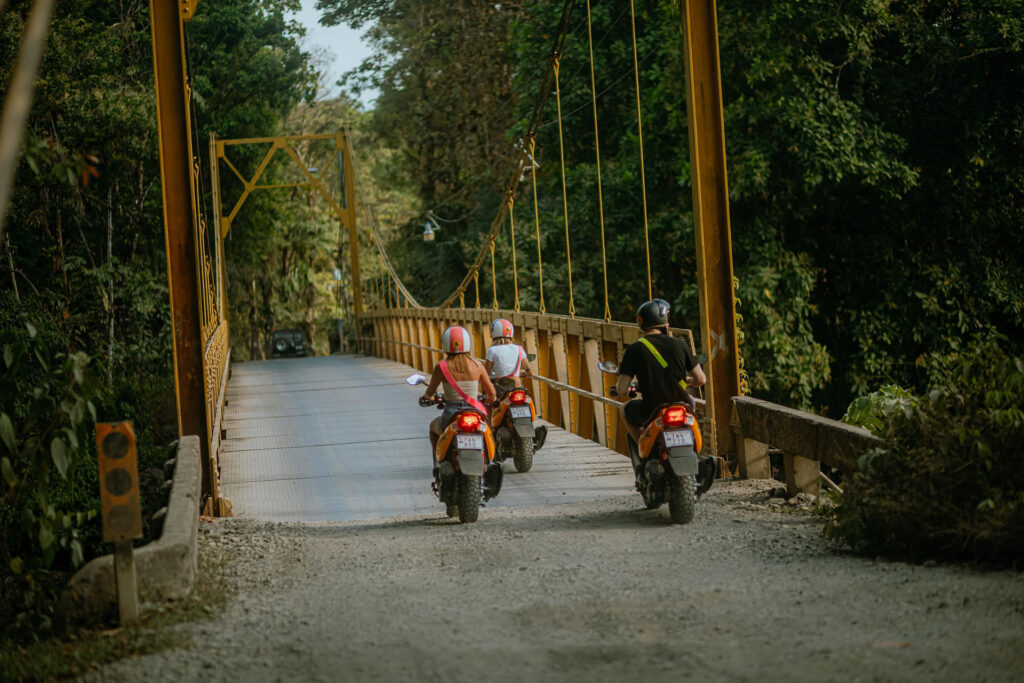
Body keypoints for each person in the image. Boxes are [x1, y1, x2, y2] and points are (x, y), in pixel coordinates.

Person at [614, 299, 706, 447]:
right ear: (663, 321)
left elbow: (622, 390)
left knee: (624, 409)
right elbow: (701, 380)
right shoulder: (680, 344)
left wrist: (619, 387)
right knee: (692, 404)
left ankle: (641, 448)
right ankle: (694, 445)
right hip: (682, 404)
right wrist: (689, 381)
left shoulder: (634, 350)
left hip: (651, 409)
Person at [421, 325, 496, 456]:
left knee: (434, 427)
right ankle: (489, 460)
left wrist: (427, 398)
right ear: (467, 343)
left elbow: (429, 393)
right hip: (475, 411)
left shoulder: (441, 367)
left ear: (445, 344)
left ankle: (440, 461)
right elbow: (492, 394)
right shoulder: (477, 365)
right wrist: (489, 399)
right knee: (488, 432)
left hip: (451, 413)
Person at [484, 318, 533, 395]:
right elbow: (530, 372)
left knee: (488, 401)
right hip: (518, 387)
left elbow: (485, 373)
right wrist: (522, 372)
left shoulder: (492, 350)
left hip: (501, 389)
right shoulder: (519, 349)